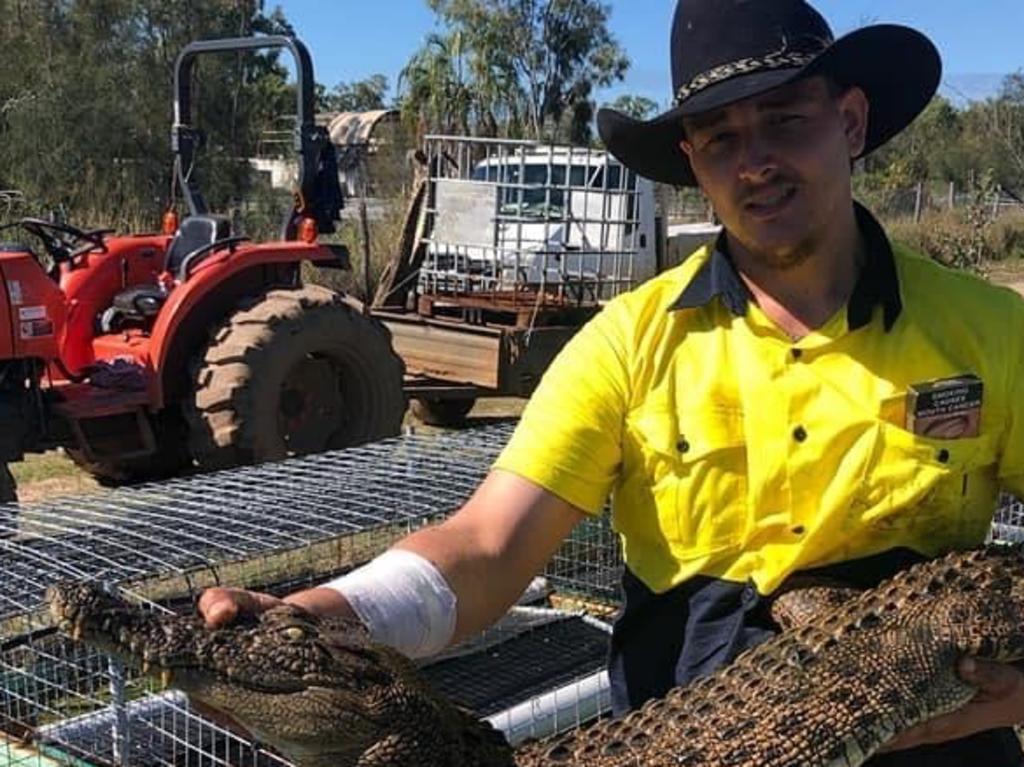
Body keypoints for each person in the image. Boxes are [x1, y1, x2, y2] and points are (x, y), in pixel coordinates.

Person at [200, 1, 1024, 763]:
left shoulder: (994, 330)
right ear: (692, 162)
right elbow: (486, 547)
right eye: (722, 138)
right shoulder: (627, 341)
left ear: (849, 121)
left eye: (785, 120)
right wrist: (322, 616)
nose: (758, 163)